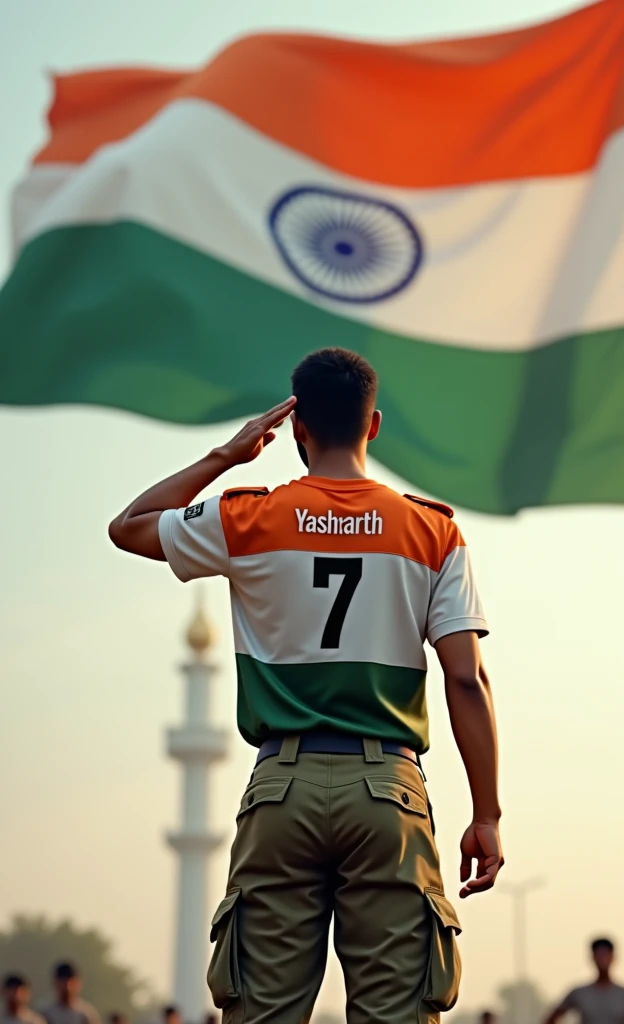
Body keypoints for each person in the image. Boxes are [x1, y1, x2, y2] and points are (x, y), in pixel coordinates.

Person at [109, 346, 503, 1024]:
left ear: (296, 430)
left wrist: (225, 458)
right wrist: (487, 814)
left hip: (281, 789)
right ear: (373, 426)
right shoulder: (433, 531)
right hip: (389, 792)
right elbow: (465, 678)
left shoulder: (249, 518)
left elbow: (128, 528)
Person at [543, 938, 624, 1024]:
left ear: (613, 957)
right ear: (593, 958)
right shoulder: (580, 993)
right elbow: (551, 1018)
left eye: (606, 955)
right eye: (599, 955)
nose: (602, 960)